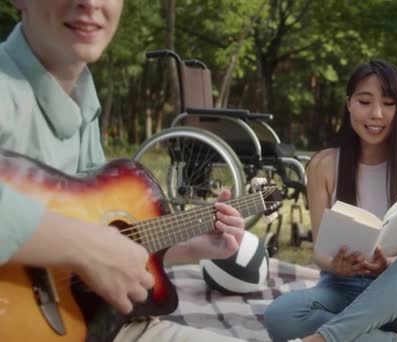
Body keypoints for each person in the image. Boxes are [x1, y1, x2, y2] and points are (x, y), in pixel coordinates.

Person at [0, 1, 247, 341]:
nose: (90, 3)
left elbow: (102, 239)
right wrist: (84, 245)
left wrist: (185, 246)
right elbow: (91, 243)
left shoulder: (84, 95)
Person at [263, 60, 397, 342]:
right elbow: (319, 253)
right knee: (279, 316)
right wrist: (335, 265)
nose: (376, 114)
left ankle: (324, 339)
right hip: (341, 288)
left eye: (388, 103)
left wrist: (389, 263)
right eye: (365, 101)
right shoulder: (323, 165)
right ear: (349, 104)